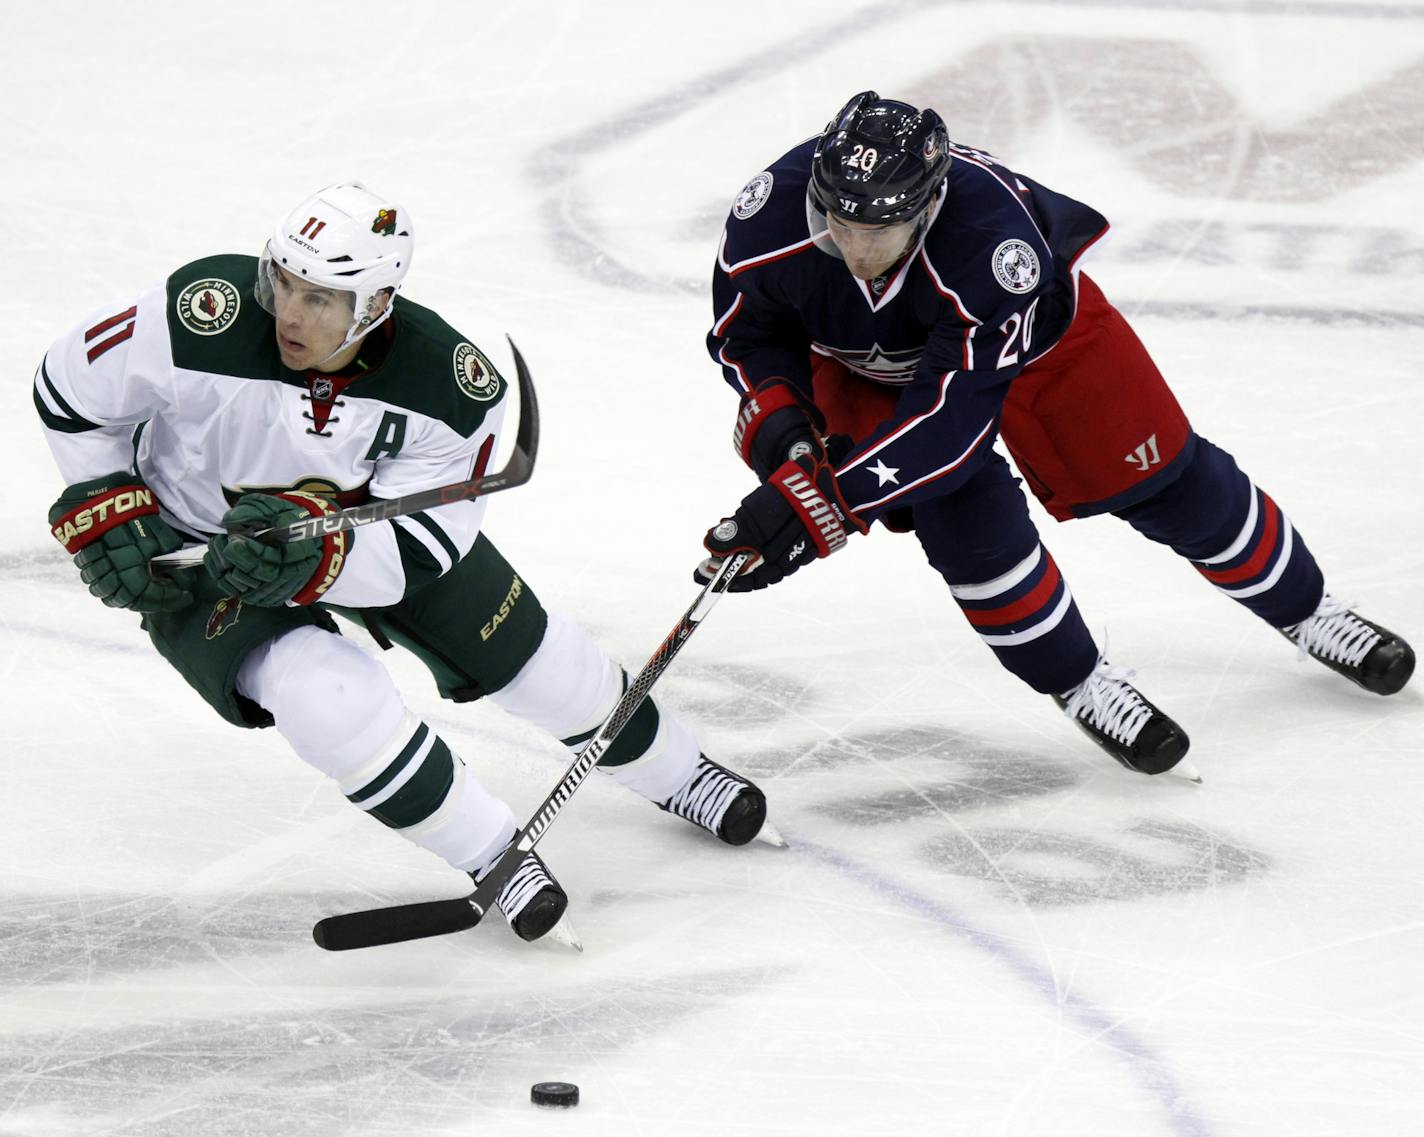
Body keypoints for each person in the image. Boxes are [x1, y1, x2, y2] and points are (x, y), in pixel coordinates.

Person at [37, 181, 768, 946]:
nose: (288, 312)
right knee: (326, 696)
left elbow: (422, 547)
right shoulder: (204, 311)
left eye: (321, 298)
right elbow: (69, 390)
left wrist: (321, 553)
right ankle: (493, 854)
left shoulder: (450, 386)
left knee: (537, 662)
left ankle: (682, 774)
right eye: (282, 281)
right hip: (191, 544)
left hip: (359, 539)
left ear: (377, 302)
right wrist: (109, 502)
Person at [697, 91, 1413, 779]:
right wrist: (787, 432)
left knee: (1166, 482)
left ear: (928, 207)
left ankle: (1312, 610)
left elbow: (950, 424)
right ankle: (1080, 683)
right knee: (968, 534)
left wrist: (826, 505)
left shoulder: (994, 244)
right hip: (863, 368)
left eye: (876, 232)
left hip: (1041, 348)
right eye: (835, 223)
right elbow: (747, 334)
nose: (851, 248)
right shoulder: (771, 212)